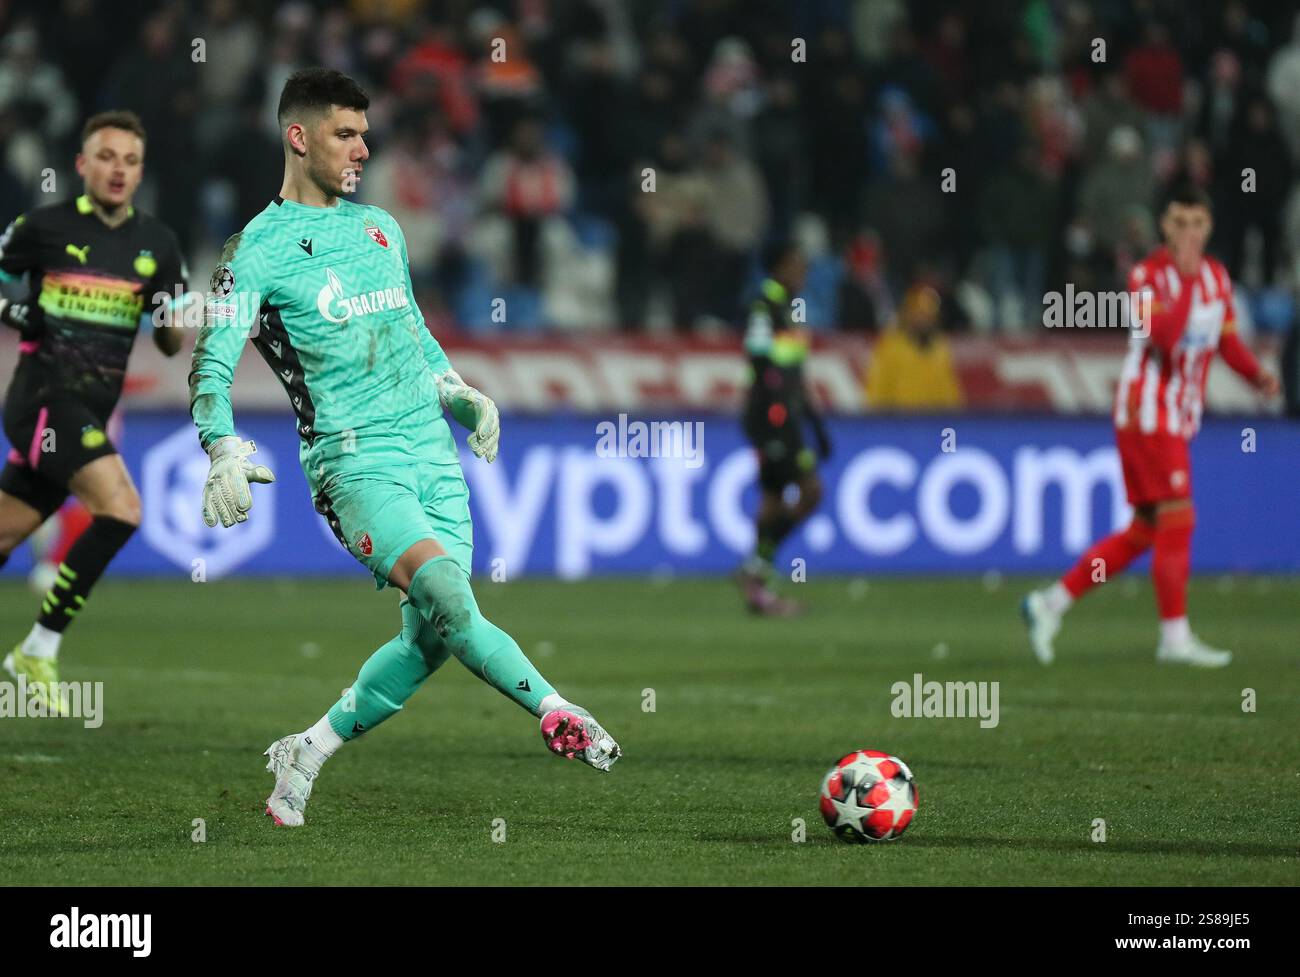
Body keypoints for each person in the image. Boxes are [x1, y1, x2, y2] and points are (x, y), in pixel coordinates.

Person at [189, 68, 620, 828]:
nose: (363, 148)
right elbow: (210, 364)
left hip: (433, 455)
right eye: (345, 134)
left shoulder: (382, 228)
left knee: (431, 638)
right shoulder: (256, 251)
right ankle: (557, 709)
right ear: (299, 137)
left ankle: (307, 751)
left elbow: (413, 332)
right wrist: (221, 446)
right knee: (449, 595)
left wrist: (458, 390)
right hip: (354, 463)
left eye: (365, 133)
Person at [1022, 184, 1279, 667]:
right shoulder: (1146, 277)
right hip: (1146, 410)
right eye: (1180, 223)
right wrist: (1185, 280)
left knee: (1144, 530)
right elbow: (1163, 338)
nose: (1189, 233)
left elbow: (1225, 341)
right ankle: (1174, 639)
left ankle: (1048, 604)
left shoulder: (1217, 277)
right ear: (1165, 225)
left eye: (1198, 223)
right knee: (1179, 518)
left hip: (1177, 414)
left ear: (1209, 227)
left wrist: (1256, 375)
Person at [0, 110, 187, 714]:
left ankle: (34, 651)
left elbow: (169, 340)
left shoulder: (158, 244)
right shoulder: (43, 227)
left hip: (89, 411)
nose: (118, 170)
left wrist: (173, 322)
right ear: (83, 164)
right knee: (122, 509)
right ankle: (38, 648)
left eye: (130, 161)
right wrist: (12, 309)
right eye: (107, 157)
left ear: (140, 172)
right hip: (43, 402)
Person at [736, 240, 830, 615]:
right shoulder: (764, 306)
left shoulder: (791, 308)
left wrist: (815, 423)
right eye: (794, 264)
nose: (801, 272)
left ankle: (757, 584)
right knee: (810, 491)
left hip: (784, 417)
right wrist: (779, 414)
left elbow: (794, 374)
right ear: (776, 267)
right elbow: (761, 364)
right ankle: (756, 569)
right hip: (770, 418)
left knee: (774, 498)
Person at [863, 284, 964, 410]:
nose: (924, 320)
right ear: (907, 314)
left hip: (933, 418)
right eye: (919, 314)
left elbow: (950, 394)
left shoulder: (940, 349)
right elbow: (876, 393)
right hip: (899, 419)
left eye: (928, 315)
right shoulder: (891, 348)